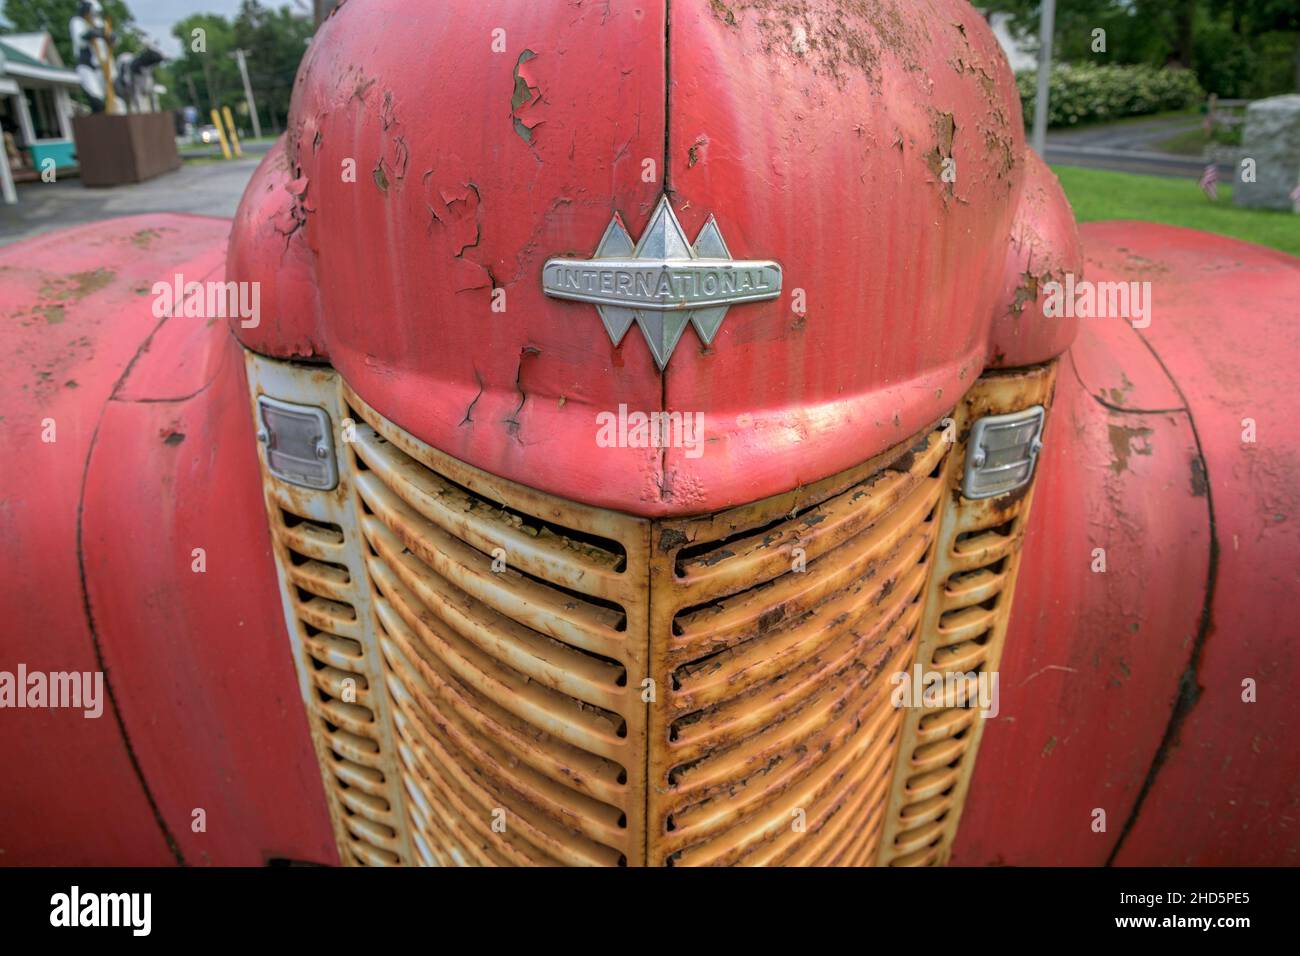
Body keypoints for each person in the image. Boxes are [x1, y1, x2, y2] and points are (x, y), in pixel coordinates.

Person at [70, 0, 114, 113]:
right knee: (97, 100)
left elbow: (110, 42)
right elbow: (81, 41)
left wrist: (110, 37)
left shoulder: (100, 23)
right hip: (86, 66)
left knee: (111, 97)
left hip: (102, 66)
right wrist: (93, 33)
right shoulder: (77, 22)